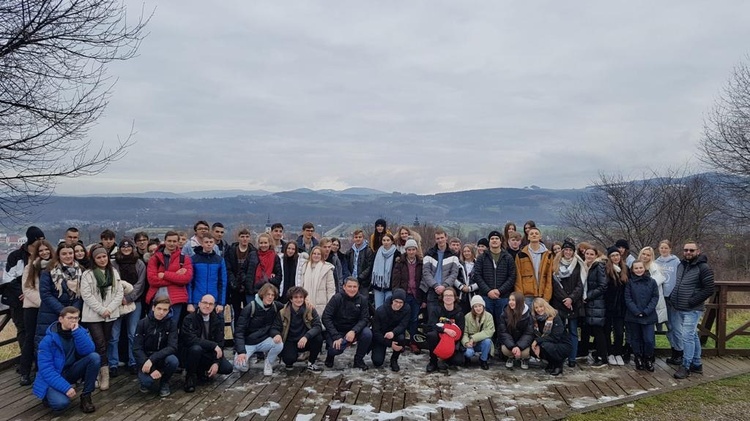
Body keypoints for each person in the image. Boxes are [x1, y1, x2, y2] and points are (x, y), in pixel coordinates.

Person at [33, 306, 98, 413]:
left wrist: (76, 332)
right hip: (53, 375)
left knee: (94, 357)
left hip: (70, 371)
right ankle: (48, 397)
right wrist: (65, 388)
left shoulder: (80, 332)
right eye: (70, 318)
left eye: (76, 318)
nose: (73, 321)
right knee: (61, 404)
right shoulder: (48, 341)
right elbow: (46, 370)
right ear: (61, 319)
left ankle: (86, 396)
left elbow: (88, 350)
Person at [80, 246, 123, 390]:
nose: (102, 260)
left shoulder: (114, 272)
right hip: (93, 315)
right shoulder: (87, 274)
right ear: (93, 259)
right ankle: (100, 373)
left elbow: (119, 293)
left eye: (104, 256)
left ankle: (103, 372)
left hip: (110, 314)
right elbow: (86, 295)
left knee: (106, 342)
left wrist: (109, 309)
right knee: (99, 344)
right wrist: (101, 309)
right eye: (98, 257)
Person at [671, 241, 715, 379]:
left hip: (693, 308)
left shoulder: (703, 268)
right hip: (679, 307)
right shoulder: (682, 265)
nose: (688, 253)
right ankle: (697, 363)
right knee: (693, 335)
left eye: (691, 250)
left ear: (698, 251)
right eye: (686, 250)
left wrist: (693, 301)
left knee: (687, 337)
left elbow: (709, 288)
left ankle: (686, 366)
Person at [3, 226, 45, 356]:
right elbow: (8, 278)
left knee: (37, 330)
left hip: (37, 300)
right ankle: (26, 360)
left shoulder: (43, 256)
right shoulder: (16, 257)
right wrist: (22, 292)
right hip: (18, 302)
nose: (42, 241)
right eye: (39, 239)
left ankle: (38, 358)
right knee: (24, 331)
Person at [180, 294, 233, 393]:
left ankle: (202, 371)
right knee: (196, 349)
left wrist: (216, 362)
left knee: (227, 368)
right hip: (190, 353)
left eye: (210, 304)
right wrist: (213, 345)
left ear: (214, 306)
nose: (207, 306)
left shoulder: (217, 320)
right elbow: (190, 339)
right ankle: (190, 377)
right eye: (205, 303)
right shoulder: (189, 319)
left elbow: (220, 343)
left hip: (208, 353)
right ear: (199, 304)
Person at [110, 238, 147, 376]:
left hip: (134, 302)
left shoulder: (139, 264)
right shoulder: (113, 264)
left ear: (133, 248)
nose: (126, 249)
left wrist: (129, 298)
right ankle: (113, 363)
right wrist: (120, 299)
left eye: (129, 247)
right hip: (116, 303)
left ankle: (133, 362)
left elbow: (140, 284)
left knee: (133, 334)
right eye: (123, 247)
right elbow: (113, 283)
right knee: (114, 335)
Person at [19, 239, 54, 386]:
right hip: (33, 308)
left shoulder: (55, 266)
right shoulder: (30, 267)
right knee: (30, 338)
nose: (44, 253)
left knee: (48, 339)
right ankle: (25, 371)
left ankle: (45, 369)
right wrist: (44, 302)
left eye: (47, 250)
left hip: (50, 309)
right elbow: (27, 288)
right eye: (41, 251)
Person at [473, 231, 516, 346]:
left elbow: (512, 276)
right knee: (487, 323)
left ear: (501, 241)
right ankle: (488, 348)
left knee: (502, 323)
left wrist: (500, 290)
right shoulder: (482, 258)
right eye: (492, 238)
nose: (494, 240)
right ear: (489, 241)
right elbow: (477, 275)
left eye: (497, 238)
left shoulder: (508, 257)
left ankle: (502, 348)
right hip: (486, 296)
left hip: (503, 297)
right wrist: (488, 291)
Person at [36, 243, 84, 346]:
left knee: (71, 343)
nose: (68, 256)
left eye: (70, 253)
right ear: (58, 255)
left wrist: (73, 312)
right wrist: (63, 311)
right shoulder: (49, 271)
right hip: (50, 313)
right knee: (49, 343)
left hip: (73, 314)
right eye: (64, 254)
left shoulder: (81, 270)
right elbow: (45, 294)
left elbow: (81, 294)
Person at [146, 231, 193, 331]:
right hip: (157, 297)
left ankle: (171, 347)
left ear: (178, 242)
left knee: (172, 328)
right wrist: (175, 277)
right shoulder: (155, 258)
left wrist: (165, 275)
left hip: (176, 299)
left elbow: (186, 279)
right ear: (165, 241)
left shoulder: (184, 259)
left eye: (174, 241)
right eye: (169, 241)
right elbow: (152, 280)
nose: (172, 244)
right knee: (153, 328)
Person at [322, 277, 372, 370]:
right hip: (337, 330)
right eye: (349, 286)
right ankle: (330, 356)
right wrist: (336, 336)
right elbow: (326, 317)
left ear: (358, 288)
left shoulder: (363, 300)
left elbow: (365, 318)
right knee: (335, 350)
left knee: (367, 333)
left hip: (354, 330)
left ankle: (358, 360)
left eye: (354, 287)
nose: (352, 289)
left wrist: (354, 331)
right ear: (344, 287)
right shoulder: (336, 298)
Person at [233, 283, 284, 376]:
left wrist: (307, 303)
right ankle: (246, 359)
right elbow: (239, 331)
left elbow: (289, 306)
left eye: (272, 295)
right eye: (267, 294)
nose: (270, 297)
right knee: (239, 366)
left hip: (265, 340)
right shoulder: (250, 308)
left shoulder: (276, 306)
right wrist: (241, 351)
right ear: (262, 294)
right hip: (249, 342)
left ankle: (268, 362)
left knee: (279, 344)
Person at [134, 295, 179, 397]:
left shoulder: (171, 324)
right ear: (153, 307)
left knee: (173, 361)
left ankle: (164, 382)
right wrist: (151, 367)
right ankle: (145, 380)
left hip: (161, 357)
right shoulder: (142, 323)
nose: (161, 312)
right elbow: (137, 348)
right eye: (159, 308)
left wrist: (152, 360)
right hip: (145, 359)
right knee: (147, 383)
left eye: (165, 310)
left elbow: (172, 347)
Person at [551, 239, 584, 368]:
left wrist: (571, 298)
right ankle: (560, 356)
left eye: (570, 250)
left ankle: (572, 357)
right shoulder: (555, 264)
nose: (568, 252)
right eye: (566, 250)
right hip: (559, 303)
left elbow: (580, 284)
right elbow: (554, 284)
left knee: (573, 331)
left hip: (574, 304)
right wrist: (565, 299)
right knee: (559, 331)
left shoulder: (578, 265)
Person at [274, 286, 324, 372]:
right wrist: (277, 335)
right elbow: (275, 327)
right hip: (290, 340)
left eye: (301, 297)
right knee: (289, 360)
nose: (299, 300)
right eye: (296, 297)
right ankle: (290, 359)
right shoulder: (283, 312)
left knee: (318, 338)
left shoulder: (310, 309)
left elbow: (318, 326)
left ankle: (311, 363)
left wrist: (306, 336)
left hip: (305, 339)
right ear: (291, 299)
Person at [625, 261, 659, 372]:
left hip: (648, 315)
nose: (639, 270)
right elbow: (628, 298)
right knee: (635, 338)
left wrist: (646, 311)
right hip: (633, 316)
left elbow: (655, 297)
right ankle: (638, 358)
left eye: (641, 267)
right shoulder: (630, 283)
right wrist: (636, 311)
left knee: (649, 339)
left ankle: (648, 358)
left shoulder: (652, 282)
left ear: (644, 268)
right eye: (636, 268)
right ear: (633, 270)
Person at [391, 238, 424, 354]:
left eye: (413, 249)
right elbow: (395, 281)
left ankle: (413, 341)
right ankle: (401, 341)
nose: (411, 252)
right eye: (409, 249)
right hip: (404, 295)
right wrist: (397, 295)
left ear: (416, 250)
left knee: (414, 319)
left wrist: (423, 298)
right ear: (406, 250)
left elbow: (423, 280)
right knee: (402, 319)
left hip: (416, 295)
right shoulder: (400, 262)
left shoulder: (421, 263)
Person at [656, 240, 683, 366]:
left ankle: (680, 352)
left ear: (670, 249)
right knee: (668, 327)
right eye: (661, 248)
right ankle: (674, 352)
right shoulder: (656, 262)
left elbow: (680, 278)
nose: (663, 250)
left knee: (676, 327)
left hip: (673, 298)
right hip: (661, 298)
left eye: (666, 248)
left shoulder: (676, 262)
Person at [425, 286, 465, 372]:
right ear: (442, 298)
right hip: (438, 338)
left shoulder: (459, 313)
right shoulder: (436, 310)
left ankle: (446, 359)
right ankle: (433, 361)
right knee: (431, 335)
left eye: (450, 295)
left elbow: (461, 331)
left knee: (458, 361)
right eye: (446, 295)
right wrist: (445, 330)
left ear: (455, 298)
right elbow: (431, 325)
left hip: (452, 341)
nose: (448, 297)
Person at [371, 288, 411, 372]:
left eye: (401, 302)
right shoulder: (380, 311)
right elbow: (376, 331)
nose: (398, 304)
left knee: (401, 338)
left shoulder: (406, 309)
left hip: (395, 334)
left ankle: (394, 359)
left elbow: (403, 325)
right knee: (377, 362)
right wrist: (389, 343)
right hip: (381, 336)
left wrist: (393, 332)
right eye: (396, 301)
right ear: (392, 300)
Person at [422, 229, 460, 315]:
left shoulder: (453, 254)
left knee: (446, 318)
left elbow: (454, 273)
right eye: (438, 238)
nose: (440, 240)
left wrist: (444, 286)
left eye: (442, 237)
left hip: (447, 290)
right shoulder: (429, 253)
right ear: (435, 240)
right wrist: (435, 285)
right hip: (432, 289)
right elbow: (426, 272)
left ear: (446, 238)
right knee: (432, 317)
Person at [582, 246, 608, 368]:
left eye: (592, 254)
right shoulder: (585, 266)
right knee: (588, 329)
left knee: (598, 330)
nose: (589, 256)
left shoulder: (599, 267)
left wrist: (588, 296)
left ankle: (603, 357)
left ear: (596, 255)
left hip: (596, 303)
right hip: (588, 304)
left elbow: (603, 286)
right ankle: (591, 353)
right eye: (587, 253)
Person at [531, 298, 572, 376]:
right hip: (547, 342)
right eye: (536, 308)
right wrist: (537, 343)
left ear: (545, 306)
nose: (539, 309)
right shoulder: (535, 320)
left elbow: (555, 337)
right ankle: (551, 362)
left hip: (562, 344)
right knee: (532, 347)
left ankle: (558, 365)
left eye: (541, 306)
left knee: (545, 345)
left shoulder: (554, 316)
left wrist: (537, 341)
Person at [224, 228, 256, 325]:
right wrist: (233, 282)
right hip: (234, 286)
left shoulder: (253, 252)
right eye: (242, 237)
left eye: (247, 237)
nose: (244, 239)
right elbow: (228, 268)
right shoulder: (231, 250)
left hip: (248, 287)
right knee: (236, 312)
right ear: (238, 238)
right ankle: (236, 335)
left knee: (249, 312)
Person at [188, 235, 228, 314]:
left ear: (214, 244)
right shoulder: (193, 259)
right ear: (202, 244)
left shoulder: (219, 260)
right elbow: (190, 282)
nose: (209, 244)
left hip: (214, 300)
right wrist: (189, 302)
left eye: (211, 242)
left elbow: (223, 283)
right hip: (197, 300)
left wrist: (221, 303)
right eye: (206, 242)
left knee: (216, 324)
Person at [515, 227, 554, 307]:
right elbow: (518, 277)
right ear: (528, 237)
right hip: (527, 295)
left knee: (542, 318)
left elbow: (549, 277)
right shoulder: (521, 255)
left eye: (536, 233)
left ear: (540, 237)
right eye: (531, 234)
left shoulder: (548, 255)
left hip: (542, 294)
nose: (534, 235)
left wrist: (547, 297)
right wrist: (520, 296)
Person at [604, 246, 628, 366]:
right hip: (608, 306)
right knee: (607, 331)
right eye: (612, 255)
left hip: (621, 307)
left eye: (617, 255)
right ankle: (610, 353)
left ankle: (618, 352)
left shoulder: (625, 269)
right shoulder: (606, 270)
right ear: (609, 257)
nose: (615, 257)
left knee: (619, 332)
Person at [498, 291, 534, 369]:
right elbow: (503, 332)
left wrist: (519, 346)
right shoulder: (504, 314)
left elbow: (528, 333)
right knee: (505, 350)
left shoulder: (528, 314)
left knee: (525, 353)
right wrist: (513, 346)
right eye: (510, 300)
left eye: (513, 300)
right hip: (510, 343)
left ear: (519, 301)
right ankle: (510, 357)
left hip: (523, 344)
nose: (510, 302)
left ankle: (525, 359)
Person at [298, 246, 336, 316]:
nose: (316, 255)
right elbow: (301, 285)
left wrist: (330, 305)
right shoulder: (305, 266)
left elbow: (331, 289)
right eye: (314, 253)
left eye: (318, 254)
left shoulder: (327, 268)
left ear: (322, 255)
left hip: (321, 304)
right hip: (306, 301)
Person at [462, 295, 495, 370]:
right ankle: (467, 359)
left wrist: (473, 338)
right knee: (468, 353)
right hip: (470, 343)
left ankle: (483, 360)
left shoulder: (489, 316)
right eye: (475, 306)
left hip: (481, 342)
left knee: (487, 341)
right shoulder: (467, 317)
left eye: (480, 306)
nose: (478, 308)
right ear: (472, 308)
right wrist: (466, 342)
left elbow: (489, 331)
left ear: (483, 306)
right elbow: (464, 332)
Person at [639, 246, 668, 326]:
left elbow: (652, 285)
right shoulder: (635, 267)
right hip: (638, 303)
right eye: (643, 254)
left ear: (651, 257)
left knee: (649, 332)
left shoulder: (656, 269)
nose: (645, 256)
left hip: (651, 305)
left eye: (648, 255)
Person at [371, 233, 401, 308]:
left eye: (388, 240)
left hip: (390, 285)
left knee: (388, 308)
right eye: (384, 240)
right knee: (378, 308)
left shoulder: (397, 254)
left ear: (392, 241)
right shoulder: (377, 253)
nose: (386, 242)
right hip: (378, 285)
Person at [346, 229, 375, 298]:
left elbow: (369, 266)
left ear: (363, 238)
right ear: (353, 238)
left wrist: (360, 277)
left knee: (363, 301)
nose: (358, 239)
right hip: (351, 280)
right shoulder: (350, 251)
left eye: (360, 237)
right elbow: (347, 265)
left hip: (363, 282)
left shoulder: (368, 251)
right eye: (356, 237)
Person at [456, 244, 478, 314]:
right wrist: (461, 287)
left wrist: (470, 288)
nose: (466, 253)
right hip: (461, 295)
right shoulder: (459, 264)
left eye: (468, 251)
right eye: (464, 251)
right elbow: (454, 278)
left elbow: (481, 278)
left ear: (472, 252)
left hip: (474, 294)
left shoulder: (478, 264)